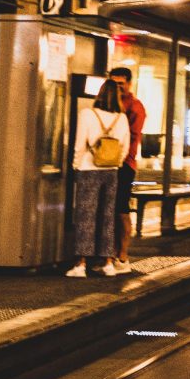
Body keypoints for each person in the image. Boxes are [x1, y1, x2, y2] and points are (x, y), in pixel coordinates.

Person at [67, 84, 132, 278]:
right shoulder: (122, 118)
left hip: (89, 169)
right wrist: (116, 163)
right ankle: (108, 263)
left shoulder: (88, 114)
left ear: (100, 94)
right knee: (107, 217)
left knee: (85, 217)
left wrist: (76, 164)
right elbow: (125, 147)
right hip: (111, 171)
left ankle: (81, 264)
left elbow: (80, 143)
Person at [105, 68, 146, 264]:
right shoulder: (107, 103)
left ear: (129, 84)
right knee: (109, 209)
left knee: (121, 208)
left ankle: (123, 254)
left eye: (121, 83)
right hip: (105, 162)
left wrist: (122, 159)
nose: (117, 87)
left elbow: (133, 137)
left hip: (124, 164)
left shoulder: (135, 107)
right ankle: (109, 253)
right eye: (114, 83)